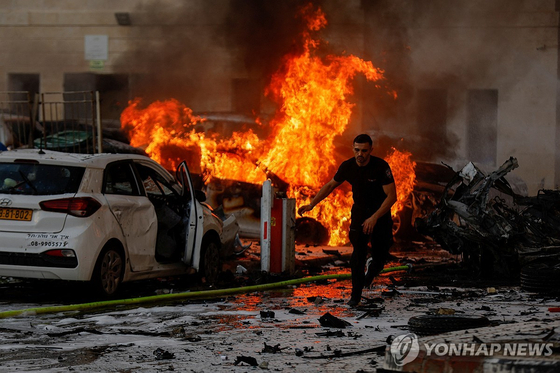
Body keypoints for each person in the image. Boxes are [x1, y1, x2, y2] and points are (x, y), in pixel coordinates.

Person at [298, 134, 397, 307]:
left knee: (381, 255)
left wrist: (374, 218)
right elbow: (330, 185)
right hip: (359, 214)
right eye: (357, 150)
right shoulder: (348, 166)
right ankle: (355, 296)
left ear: (371, 150)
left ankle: (373, 269)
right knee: (357, 255)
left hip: (380, 216)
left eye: (364, 151)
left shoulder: (380, 167)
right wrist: (312, 204)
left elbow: (391, 197)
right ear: (353, 149)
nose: (360, 154)